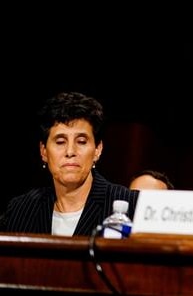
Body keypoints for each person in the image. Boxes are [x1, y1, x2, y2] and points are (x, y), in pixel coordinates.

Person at [0, 92, 138, 236]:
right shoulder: (20, 209)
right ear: (44, 152)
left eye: (81, 141)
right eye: (60, 142)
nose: (70, 151)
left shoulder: (132, 205)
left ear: (97, 149)